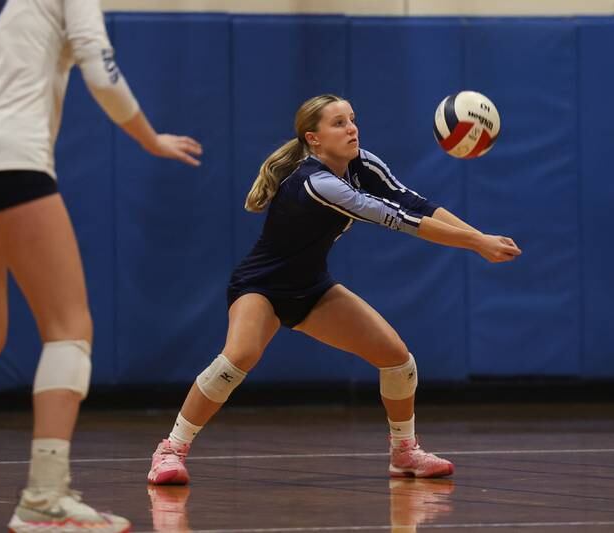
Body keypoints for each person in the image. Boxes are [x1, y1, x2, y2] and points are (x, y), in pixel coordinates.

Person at [146, 94, 521, 485]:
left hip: (312, 288)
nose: (352, 128)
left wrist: (481, 237)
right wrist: (477, 244)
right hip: (261, 287)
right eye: (339, 123)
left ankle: (404, 452)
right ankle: (170, 450)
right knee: (238, 357)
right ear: (314, 138)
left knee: (397, 360)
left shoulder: (363, 164)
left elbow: (415, 203)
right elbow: (400, 219)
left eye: (352, 119)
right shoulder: (317, 183)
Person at [0, 1, 202, 531]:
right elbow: (100, 71)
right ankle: (44, 497)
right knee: (68, 329)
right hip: (13, 159)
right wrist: (149, 138)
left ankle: (45, 496)